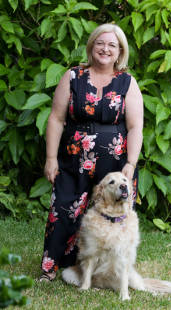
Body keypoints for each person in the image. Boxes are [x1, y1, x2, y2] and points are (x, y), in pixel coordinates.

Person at [40, 23, 143, 282]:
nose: (105, 49)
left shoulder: (127, 83)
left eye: (112, 45)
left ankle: (105, 271)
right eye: (100, 43)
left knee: (109, 217)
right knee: (62, 209)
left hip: (114, 165)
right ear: (91, 46)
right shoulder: (73, 77)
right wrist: (51, 158)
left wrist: (130, 163)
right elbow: (55, 118)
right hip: (73, 160)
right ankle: (51, 268)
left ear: (120, 52)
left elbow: (135, 127)